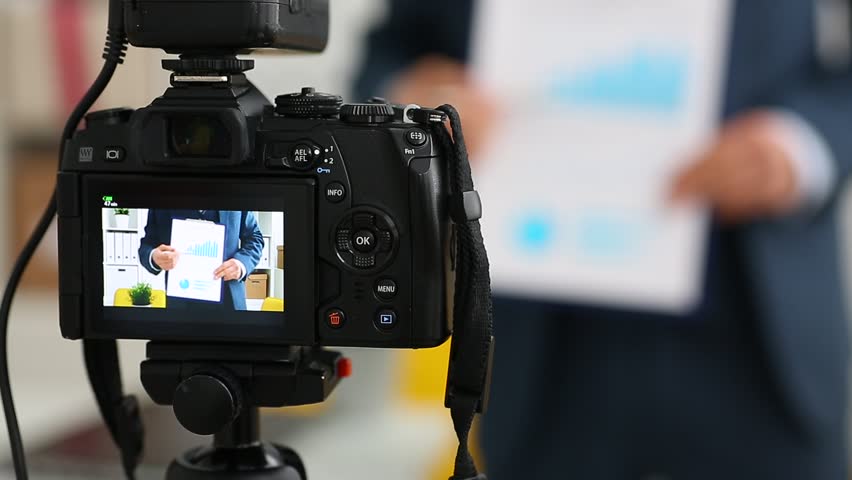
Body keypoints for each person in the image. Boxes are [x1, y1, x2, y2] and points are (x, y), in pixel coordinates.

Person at [356, 1, 852, 478]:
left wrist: (802, 145)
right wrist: (410, 109)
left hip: (761, 331)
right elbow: (394, 50)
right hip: (544, 345)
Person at [138, 209, 264, 311]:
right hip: (180, 304)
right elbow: (147, 245)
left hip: (230, 303)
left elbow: (255, 238)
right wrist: (153, 256)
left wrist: (241, 264)